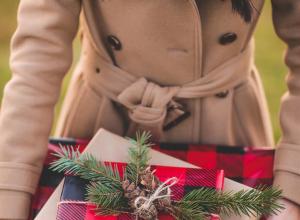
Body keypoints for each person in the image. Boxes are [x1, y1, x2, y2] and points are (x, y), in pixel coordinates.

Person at [0, 0, 299, 219]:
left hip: (225, 125)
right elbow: (38, 55)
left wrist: (291, 190)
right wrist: (10, 189)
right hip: (105, 120)